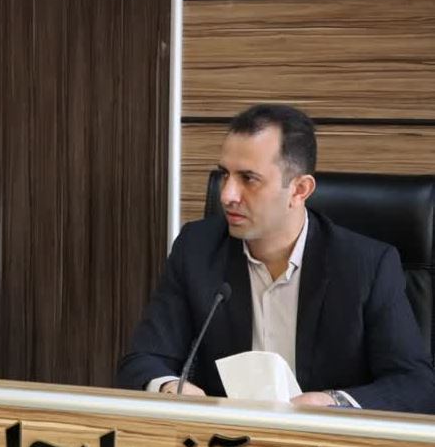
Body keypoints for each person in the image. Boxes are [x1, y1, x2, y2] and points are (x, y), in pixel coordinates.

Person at [117, 104, 435, 413]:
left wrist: (333, 403)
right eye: (225, 174)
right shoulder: (197, 249)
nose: (227, 195)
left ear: (299, 190)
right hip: (226, 441)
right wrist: (171, 387)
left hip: (325, 443)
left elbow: (416, 385)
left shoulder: (365, 266)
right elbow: (143, 361)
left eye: (248, 178)